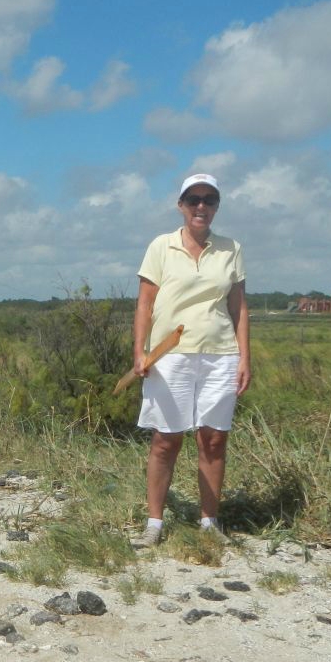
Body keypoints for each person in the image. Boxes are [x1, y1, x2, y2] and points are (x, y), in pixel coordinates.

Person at [132, 173, 250, 547]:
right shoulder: (161, 246)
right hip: (170, 355)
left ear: (216, 206)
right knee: (166, 440)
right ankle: (154, 522)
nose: (201, 206)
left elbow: (239, 307)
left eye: (209, 199)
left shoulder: (231, 248)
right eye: (193, 199)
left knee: (213, 439)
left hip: (220, 355)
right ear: (181, 205)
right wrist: (140, 351)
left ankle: (209, 522)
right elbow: (145, 303)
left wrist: (245, 357)